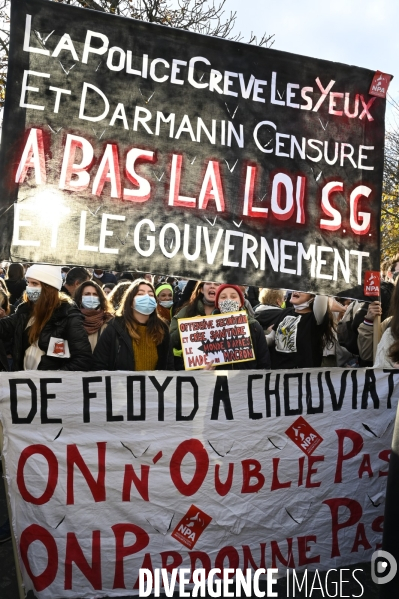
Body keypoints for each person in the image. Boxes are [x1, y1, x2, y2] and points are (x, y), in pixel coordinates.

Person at [0, 264, 93, 371]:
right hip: (24, 383)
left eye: (35, 283)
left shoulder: (68, 315)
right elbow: (4, 327)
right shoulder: (25, 310)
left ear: (49, 288)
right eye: (28, 282)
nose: (29, 287)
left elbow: (83, 359)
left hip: (50, 385)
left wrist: (53, 379)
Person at [93, 279, 172, 371]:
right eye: (140, 294)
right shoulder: (115, 328)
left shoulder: (162, 329)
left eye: (151, 295)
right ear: (130, 301)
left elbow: (168, 365)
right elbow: (98, 364)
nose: (147, 297)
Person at [256, 291, 334, 369]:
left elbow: (321, 291)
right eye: (296, 288)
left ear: (312, 297)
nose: (296, 291)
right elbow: (272, 338)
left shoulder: (315, 318)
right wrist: (255, 339)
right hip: (278, 372)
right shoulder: (286, 312)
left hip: (301, 376)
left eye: (303, 290)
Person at [211, 285, 271, 370]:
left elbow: (264, 362)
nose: (228, 300)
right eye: (223, 297)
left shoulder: (254, 327)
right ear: (218, 304)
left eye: (233, 296)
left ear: (240, 303)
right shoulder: (208, 329)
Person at [170, 281, 220, 368]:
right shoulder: (187, 311)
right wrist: (187, 328)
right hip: (192, 373)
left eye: (216, 284)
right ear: (201, 289)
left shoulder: (228, 312)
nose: (212, 286)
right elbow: (170, 340)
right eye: (208, 283)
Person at [74, 281, 114, 351]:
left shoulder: (109, 321)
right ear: (80, 299)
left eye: (95, 294)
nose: (91, 297)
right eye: (87, 294)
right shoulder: (72, 320)